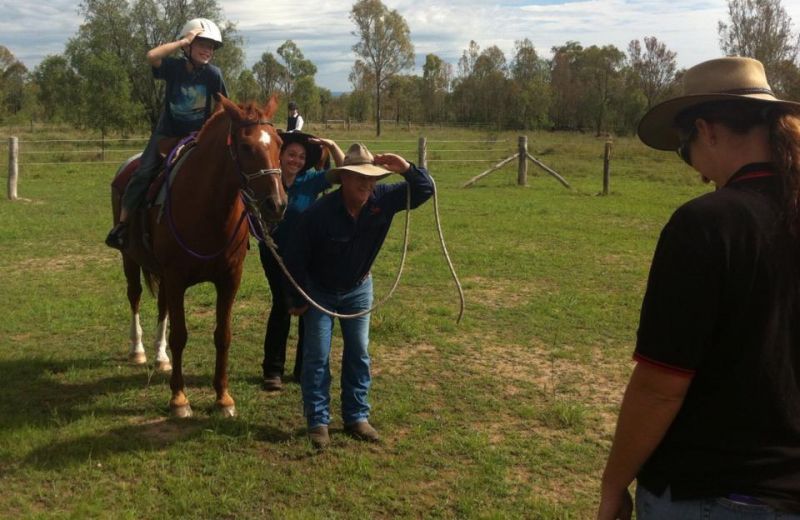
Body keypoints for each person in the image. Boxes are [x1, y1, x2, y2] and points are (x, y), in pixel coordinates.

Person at [598, 57, 800, 519]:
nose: (693, 167)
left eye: (683, 147)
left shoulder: (706, 223)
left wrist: (613, 483)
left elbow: (660, 386)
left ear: (706, 131)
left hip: (713, 492)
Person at [284, 143, 434, 449]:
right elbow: (295, 255)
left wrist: (405, 167)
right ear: (344, 178)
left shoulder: (383, 199)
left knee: (359, 352)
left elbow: (425, 190)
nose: (367, 184)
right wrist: (297, 298)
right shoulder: (319, 213)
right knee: (316, 356)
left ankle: (356, 416)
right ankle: (318, 421)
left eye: (372, 178)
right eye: (359, 178)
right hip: (320, 293)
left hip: (358, 289)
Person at [105, 18, 227, 250]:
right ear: (187, 46)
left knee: (225, 170)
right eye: (202, 44)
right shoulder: (173, 68)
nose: (207, 50)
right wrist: (184, 39)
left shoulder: (214, 74)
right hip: (166, 134)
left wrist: (212, 130)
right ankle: (122, 225)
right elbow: (152, 56)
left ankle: (243, 225)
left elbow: (222, 104)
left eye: (211, 46)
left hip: (197, 136)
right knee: (143, 174)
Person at [259, 131, 344, 392]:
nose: (295, 160)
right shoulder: (267, 181)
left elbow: (344, 173)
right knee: (282, 304)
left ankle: (302, 369)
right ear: (280, 156)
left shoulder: (311, 180)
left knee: (308, 306)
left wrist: (332, 145)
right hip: (275, 252)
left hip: (308, 254)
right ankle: (273, 371)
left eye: (301, 156)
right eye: (291, 154)